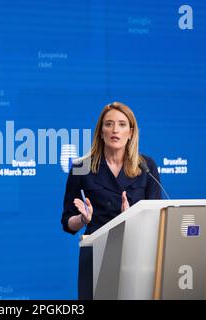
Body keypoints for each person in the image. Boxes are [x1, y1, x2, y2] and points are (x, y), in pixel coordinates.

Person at [61, 101, 161, 299]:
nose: (115, 130)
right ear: (100, 132)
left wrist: (132, 218)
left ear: (131, 132)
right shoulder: (81, 166)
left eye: (122, 124)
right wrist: (83, 219)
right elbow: (67, 223)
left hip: (136, 254)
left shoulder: (146, 166)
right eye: (109, 124)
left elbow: (156, 218)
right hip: (96, 253)